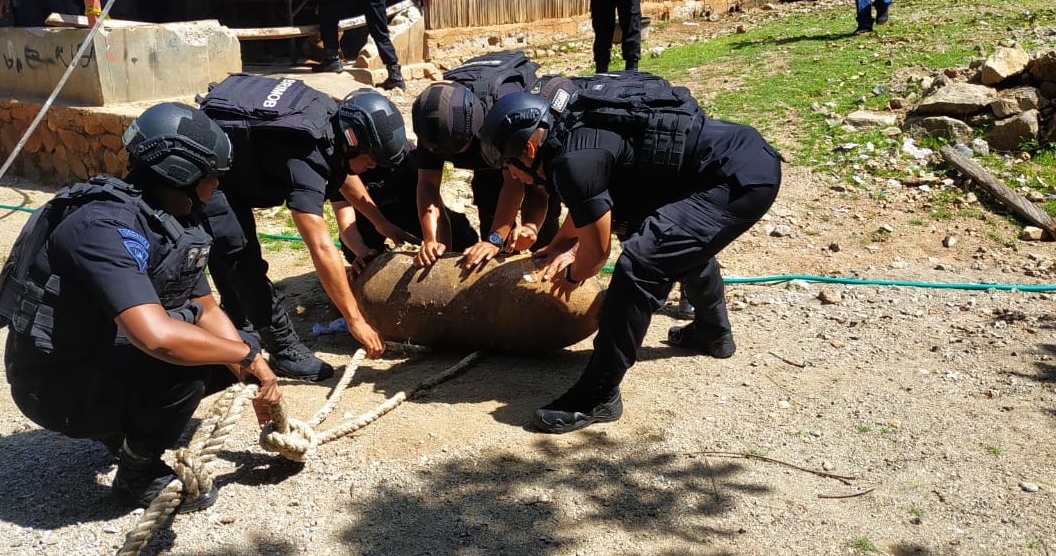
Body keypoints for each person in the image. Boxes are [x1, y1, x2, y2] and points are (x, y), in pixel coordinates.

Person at [0, 102, 282, 511]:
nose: (217, 185)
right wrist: (243, 355)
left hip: (91, 356)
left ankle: (123, 430)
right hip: (52, 386)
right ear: (182, 172)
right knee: (189, 360)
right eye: (212, 175)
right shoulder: (103, 228)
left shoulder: (170, 218)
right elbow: (156, 338)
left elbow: (207, 308)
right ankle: (136, 477)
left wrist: (252, 366)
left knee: (228, 347)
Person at [478, 71, 782, 434]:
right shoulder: (571, 132)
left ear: (528, 149)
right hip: (735, 160)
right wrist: (561, 242)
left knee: (641, 260)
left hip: (736, 181)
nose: (512, 176)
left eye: (508, 166)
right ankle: (712, 331)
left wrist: (572, 274)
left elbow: (597, 253)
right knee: (674, 239)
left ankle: (599, 393)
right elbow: (590, 201)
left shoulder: (570, 164)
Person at [199, 74, 413, 375]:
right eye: (371, 160)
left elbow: (342, 174)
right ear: (353, 144)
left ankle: (237, 329)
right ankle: (284, 349)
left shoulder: (330, 122)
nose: (372, 167)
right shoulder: (304, 156)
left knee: (230, 257)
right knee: (239, 255)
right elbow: (321, 245)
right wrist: (356, 321)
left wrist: (380, 223)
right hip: (212, 172)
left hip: (240, 159)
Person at [409, 51, 565, 269]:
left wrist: (496, 238)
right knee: (489, 210)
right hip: (487, 151)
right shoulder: (432, 123)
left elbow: (514, 182)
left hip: (520, 146)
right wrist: (431, 240)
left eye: (460, 151)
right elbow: (427, 185)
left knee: (539, 211)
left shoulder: (500, 110)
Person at [332, 142, 478, 273]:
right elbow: (344, 216)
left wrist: (440, 253)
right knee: (358, 256)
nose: (371, 164)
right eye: (367, 158)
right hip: (370, 216)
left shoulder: (406, 159)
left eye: (375, 158)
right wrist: (361, 250)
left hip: (410, 205)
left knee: (464, 240)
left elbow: (433, 206)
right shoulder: (339, 165)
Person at [284, 0, 405, 91]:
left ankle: (332, 58)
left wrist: (321, 6)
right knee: (378, 28)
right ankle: (395, 74)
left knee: (326, 10)